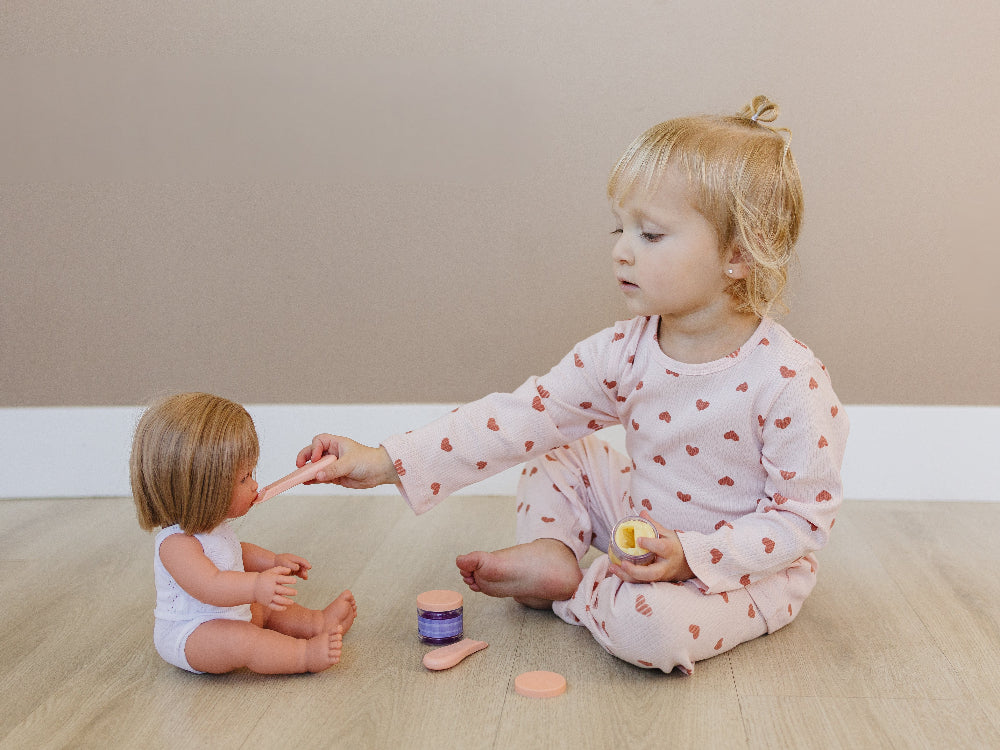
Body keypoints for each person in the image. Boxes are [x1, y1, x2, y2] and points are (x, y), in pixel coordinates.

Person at [297, 95, 848, 674]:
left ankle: (576, 587)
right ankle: (553, 553)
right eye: (621, 228)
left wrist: (690, 555)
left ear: (738, 255)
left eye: (651, 235)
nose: (620, 251)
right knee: (556, 449)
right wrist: (385, 460)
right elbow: (518, 418)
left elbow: (802, 521)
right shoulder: (622, 351)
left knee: (655, 629)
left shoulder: (787, 380)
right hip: (641, 524)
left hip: (742, 572)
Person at [130, 392, 357, 674]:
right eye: (243, 478)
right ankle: (303, 656)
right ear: (202, 489)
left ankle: (316, 623)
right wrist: (255, 586)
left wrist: (272, 562)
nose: (254, 485)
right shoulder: (175, 545)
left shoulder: (213, 528)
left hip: (232, 614)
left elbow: (239, 552)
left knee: (268, 609)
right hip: (193, 634)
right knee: (244, 640)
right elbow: (210, 585)